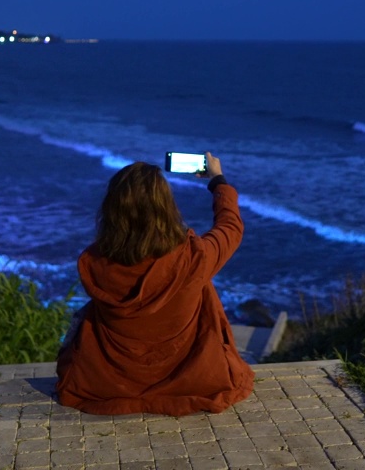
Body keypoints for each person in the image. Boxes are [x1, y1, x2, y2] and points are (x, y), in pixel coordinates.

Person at [55, 152, 254, 415]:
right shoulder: (194, 258)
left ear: (111, 210)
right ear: (166, 207)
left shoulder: (92, 262)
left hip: (113, 382)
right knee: (200, 283)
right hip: (190, 378)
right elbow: (230, 226)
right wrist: (218, 180)